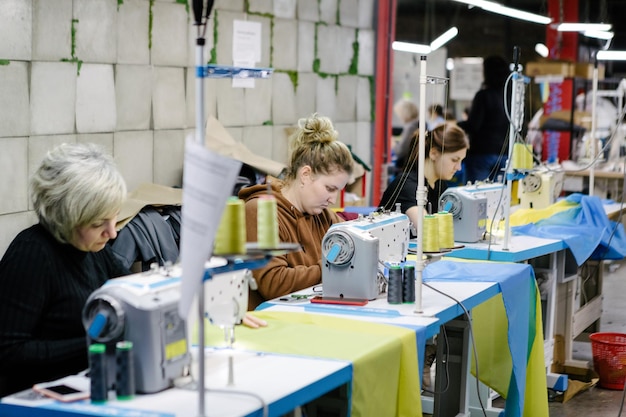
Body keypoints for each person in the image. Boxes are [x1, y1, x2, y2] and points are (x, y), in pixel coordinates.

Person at [0, 143, 130, 396]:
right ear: (66, 218)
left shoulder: (95, 248)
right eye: (96, 223)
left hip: (89, 386)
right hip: (41, 400)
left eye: (114, 217)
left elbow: (133, 295)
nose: (112, 232)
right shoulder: (32, 254)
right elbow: (7, 351)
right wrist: (95, 344)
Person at [239, 113, 354, 310]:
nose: (333, 199)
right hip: (270, 325)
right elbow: (274, 282)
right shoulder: (260, 212)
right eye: (329, 189)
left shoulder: (323, 216)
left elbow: (353, 247)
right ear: (306, 174)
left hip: (307, 316)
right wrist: (330, 268)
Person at [379, 123, 469, 232]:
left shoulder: (439, 184)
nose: (459, 167)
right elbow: (428, 231)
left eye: (461, 161)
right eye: (454, 160)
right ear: (434, 153)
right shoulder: (407, 186)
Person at [458, 55, 511, 183]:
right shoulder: (512, 97)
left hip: (482, 154)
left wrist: (457, 125)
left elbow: (473, 125)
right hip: (505, 154)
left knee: (476, 195)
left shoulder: (483, 96)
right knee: (498, 196)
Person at [392, 98, 421, 172]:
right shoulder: (417, 124)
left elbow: (400, 151)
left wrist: (393, 144)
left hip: (408, 168)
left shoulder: (410, 127)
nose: (399, 117)